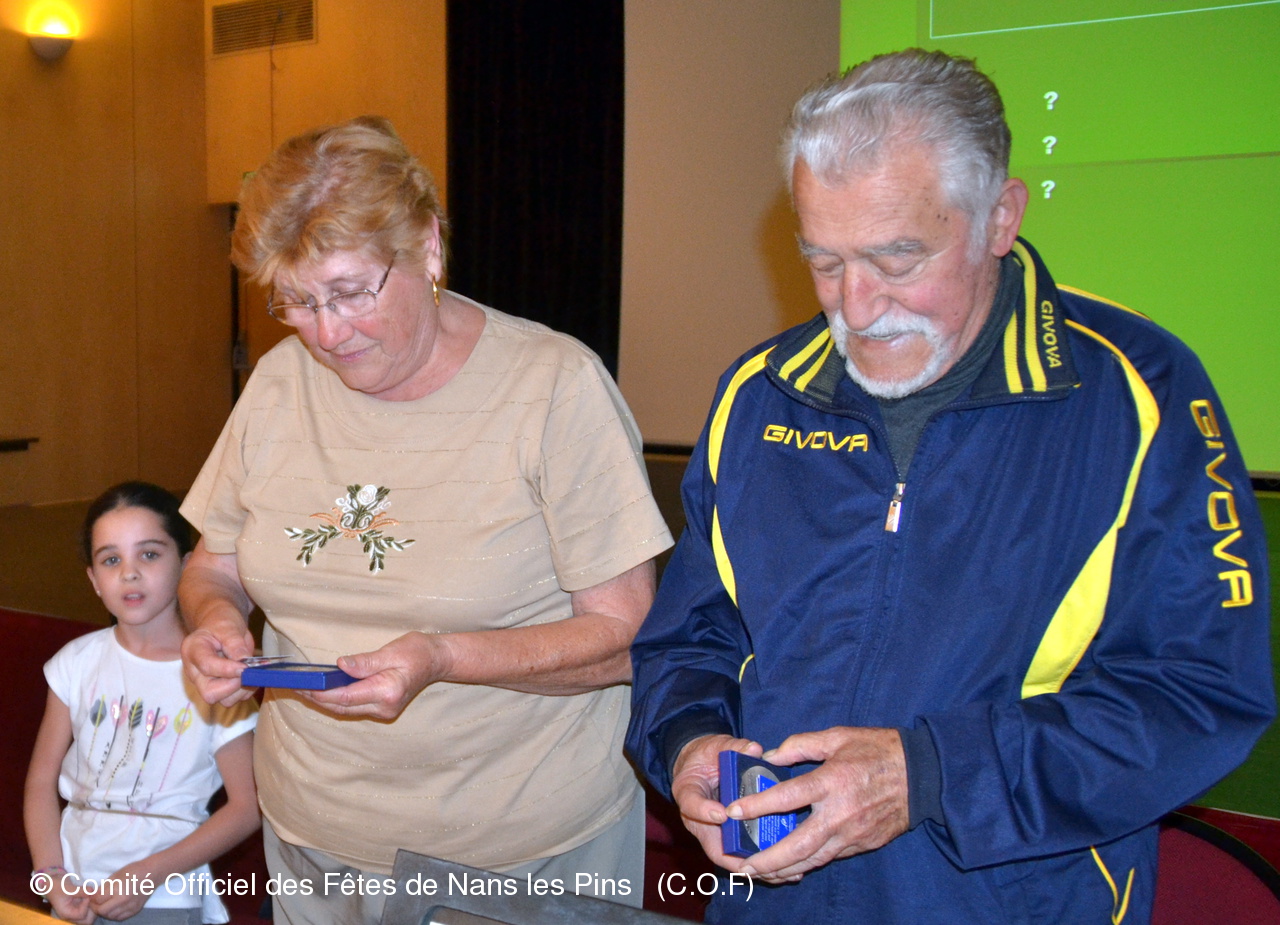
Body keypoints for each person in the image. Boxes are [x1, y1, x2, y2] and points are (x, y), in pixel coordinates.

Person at [626, 48, 1275, 924]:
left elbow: (1200, 694)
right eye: (824, 261)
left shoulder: (1138, 394)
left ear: (999, 217)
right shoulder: (759, 394)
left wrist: (928, 774)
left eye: (897, 260)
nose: (856, 307)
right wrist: (687, 741)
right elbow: (688, 640)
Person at [179, 116, 672, 924]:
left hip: (514, 859)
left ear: (429, 247)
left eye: (350, 292)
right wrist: (215, 622)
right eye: (295, 300)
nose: (326, 332)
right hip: (311, 836)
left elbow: (626, 639)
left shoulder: (553, 386)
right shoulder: (277, 382)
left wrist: (442, 658)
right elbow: (213, 564)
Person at [24, 481, 259, 925]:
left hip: (166, 895)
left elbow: (247, 807)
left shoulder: (215, 673)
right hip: (76, 889)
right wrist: (51, 874)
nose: (129, 574)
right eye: (111, 560)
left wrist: (149, 874)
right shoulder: (76, 662)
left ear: (187, 568)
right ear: (94, 580)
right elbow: (40, 781)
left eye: (148, 554)